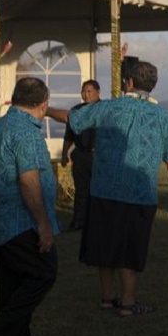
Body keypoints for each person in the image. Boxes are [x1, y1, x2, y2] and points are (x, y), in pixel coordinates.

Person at [66, 60, 168, 316]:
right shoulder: (162, 116)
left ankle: (107, 299)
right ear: (151, 85)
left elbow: (74, 118)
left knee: (103, 243)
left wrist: (41, 110)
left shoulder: (108, 108)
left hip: (104, 190)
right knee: (130, 246)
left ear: (128, 82)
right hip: (139, 193)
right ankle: (128, 303)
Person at [0, 77, 61, 336]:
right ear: (43, 104)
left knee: (13, 284)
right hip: (20, 221)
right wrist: (43, 223)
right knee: (43, 273)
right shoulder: (26, 133)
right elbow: (28, 181)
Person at [61, 79, 101, 231]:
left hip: (98, 156)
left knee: (98, 190)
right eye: (84, 91)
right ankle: (79, 220)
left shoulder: (104, 109)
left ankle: (97, 221)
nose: (86, 94)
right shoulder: (76, 111)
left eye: (90, 91)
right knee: (81, 190)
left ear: (98, 92)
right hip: (80, 155)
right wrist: (64, 154)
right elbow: (69, 136)